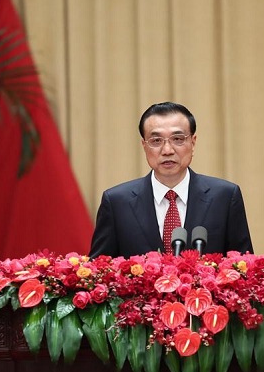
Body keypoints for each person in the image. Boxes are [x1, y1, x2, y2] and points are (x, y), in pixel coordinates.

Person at [89, 102, 254, 258]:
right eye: (156, 141)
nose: (167, 150)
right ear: (144, 145)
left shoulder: (224, 197)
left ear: (193, 142)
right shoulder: (117, 202)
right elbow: (100, 272)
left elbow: (243, 268)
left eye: (178, 139)